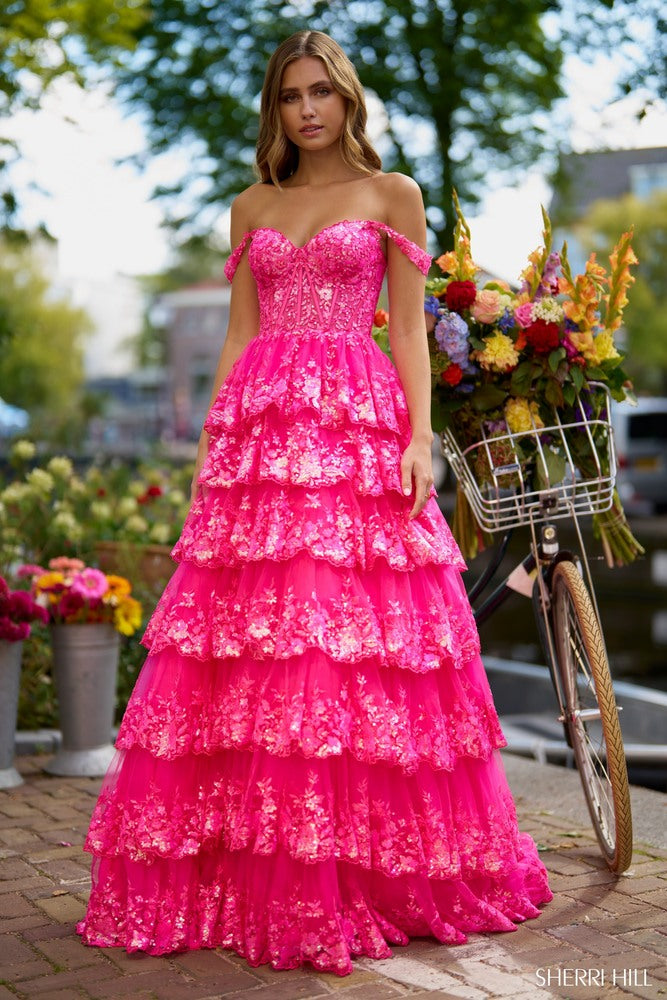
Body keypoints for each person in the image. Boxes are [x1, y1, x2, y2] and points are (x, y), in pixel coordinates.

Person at [76, 29, 552, 976]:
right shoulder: (250, 204)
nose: (306, 109)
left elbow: (411, 331)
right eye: (291, 94)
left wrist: (418, 437)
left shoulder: (391, 195)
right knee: (256, 636)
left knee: (348, 636)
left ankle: (367, 866)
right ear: (275, 108)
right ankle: (250, 863)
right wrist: (216, 440)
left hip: (356, 423)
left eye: (321, 92)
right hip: (264, 430)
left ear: (346, 100)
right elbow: (242, 331)